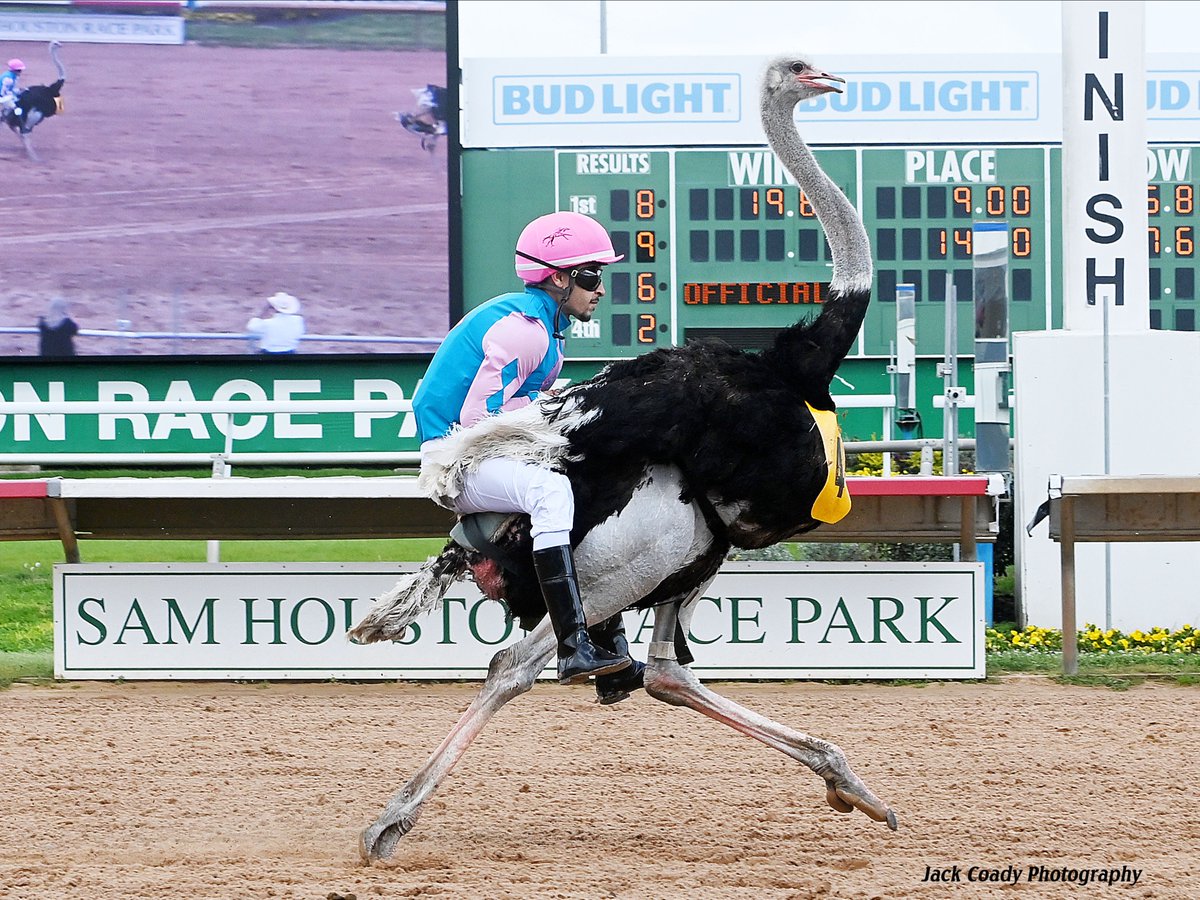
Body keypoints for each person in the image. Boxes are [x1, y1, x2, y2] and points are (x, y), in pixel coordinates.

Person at [413, 211, 644, 698]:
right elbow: (478, 421)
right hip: (456, 460)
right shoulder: (526, 332)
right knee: (551, 489)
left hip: (478, 453)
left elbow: (518, 408)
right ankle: (573, 647)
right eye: (590, 276)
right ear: (558, 277)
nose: (600, 288)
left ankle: (613, 652)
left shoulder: (544, 329)